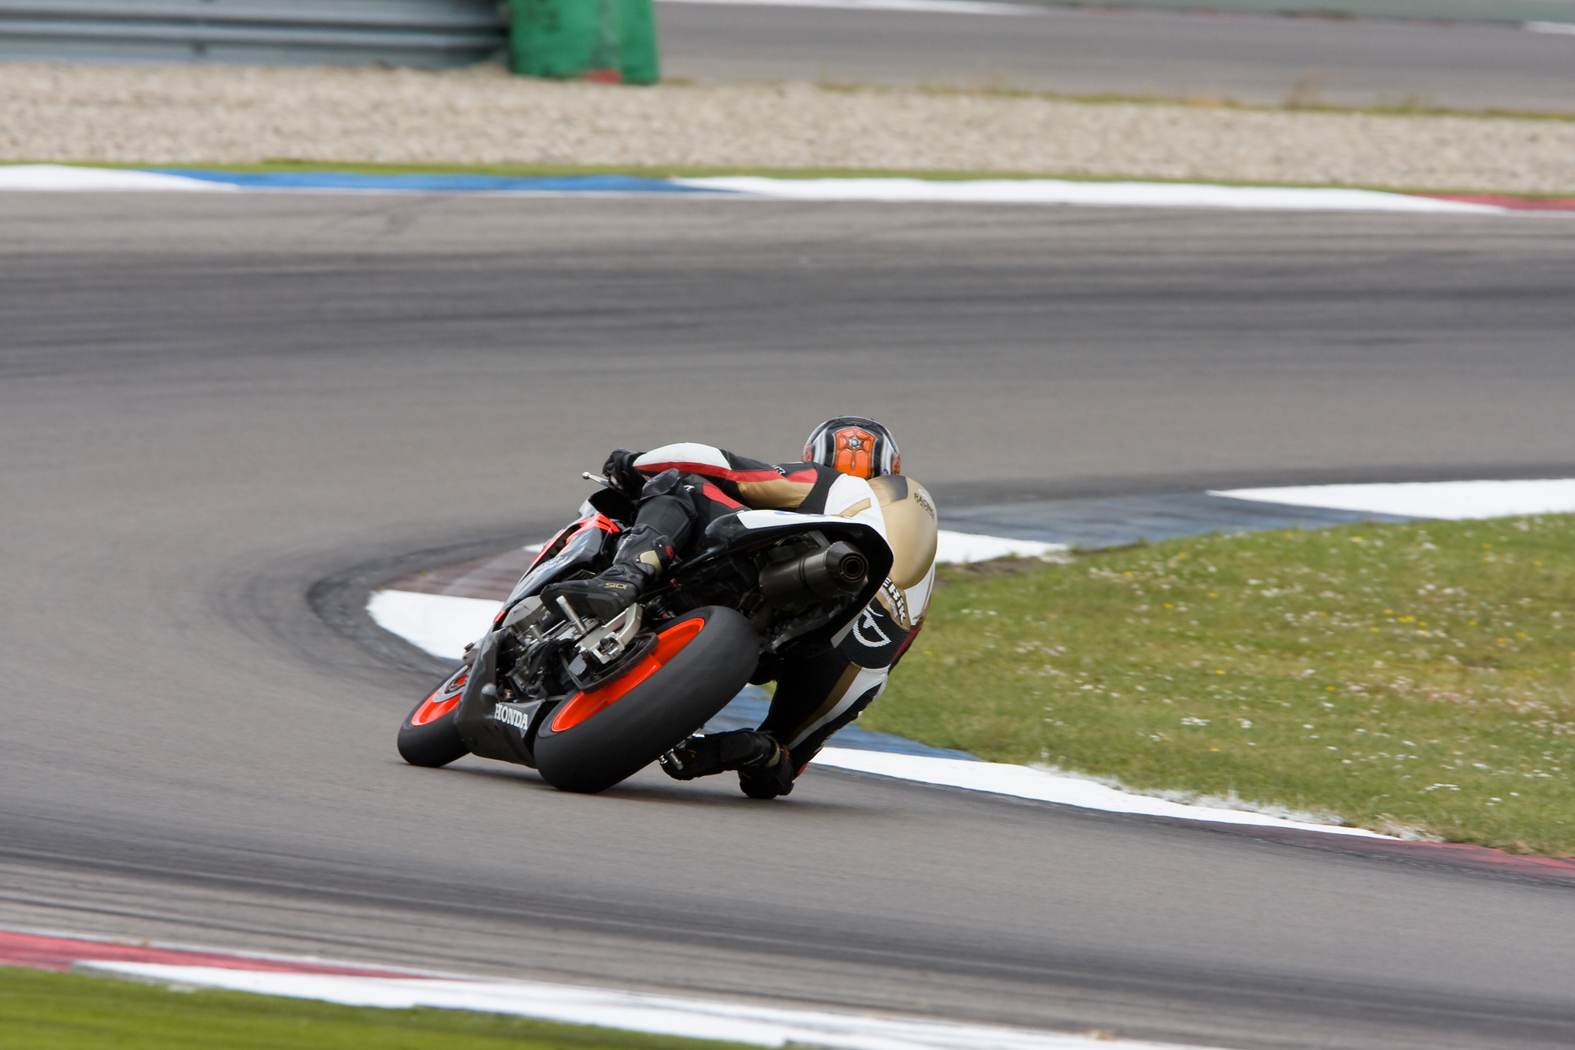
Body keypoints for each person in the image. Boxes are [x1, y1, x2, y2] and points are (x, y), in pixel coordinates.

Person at [543, 416, 938, 799]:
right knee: (778, 768)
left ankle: (625, 577)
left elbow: (719, 464)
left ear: (813, 457)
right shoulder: (922, 541)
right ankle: (756, 751)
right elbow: (900, 643)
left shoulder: (836, 485)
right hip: (857, 659)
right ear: (892, 466)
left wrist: (632, 463)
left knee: (681, 483)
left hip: (812, 586)